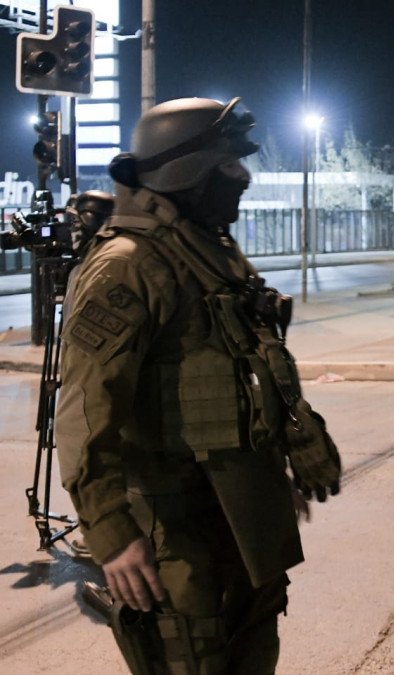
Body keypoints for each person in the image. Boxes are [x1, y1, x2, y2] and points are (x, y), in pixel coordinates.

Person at [55, 96, 341, 674]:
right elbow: (85, 413)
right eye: (228, 163)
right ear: (184, 170)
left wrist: (289, 448)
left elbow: (253, 364)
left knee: (251, 653)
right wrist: (112, 533)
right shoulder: (128, 264)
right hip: (173, 529)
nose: (243, 176)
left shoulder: (211, 250)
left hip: (239, 514)